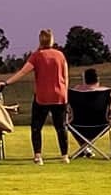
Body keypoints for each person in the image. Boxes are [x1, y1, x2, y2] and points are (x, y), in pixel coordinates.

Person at [4, 28, 70, 166]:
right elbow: (65, 76)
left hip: (43, 96)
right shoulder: (60, 55)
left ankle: (38, 156)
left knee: (36, 126)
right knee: (61, 126)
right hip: (59, 95)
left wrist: (7, 82)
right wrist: (65, 94)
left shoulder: (36, 56)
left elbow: (23, 72)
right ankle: (65, 155)